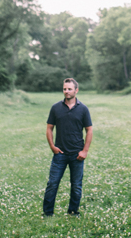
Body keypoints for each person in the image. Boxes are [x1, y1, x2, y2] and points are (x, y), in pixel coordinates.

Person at [43, 78, 93, 216]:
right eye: (65, 89)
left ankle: (73, 212)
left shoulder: (83, 109)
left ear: (76, 90)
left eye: (69, 89)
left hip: (77, 154)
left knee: (76, 186)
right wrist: (52, 146)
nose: (66, 91)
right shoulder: (55, 108)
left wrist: (85, 151)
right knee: (52, 184)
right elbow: (49, 128)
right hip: (60, 153)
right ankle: (47, 213)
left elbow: (89, 130)